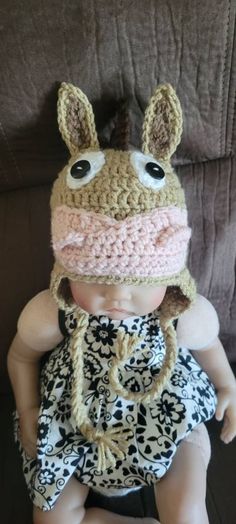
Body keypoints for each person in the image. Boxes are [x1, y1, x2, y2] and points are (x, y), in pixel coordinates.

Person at [7, 83, 236, 524]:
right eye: (95, 281)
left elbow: (208, 346)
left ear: (166, 277)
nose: (116, 297)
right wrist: (28, 409)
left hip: (165, 420)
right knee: (50, 516)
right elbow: (21, 356)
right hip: (76, 425)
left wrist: (227, 385)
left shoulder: (178, 314)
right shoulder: (52, 313)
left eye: (135, 284)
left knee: (187, 509)